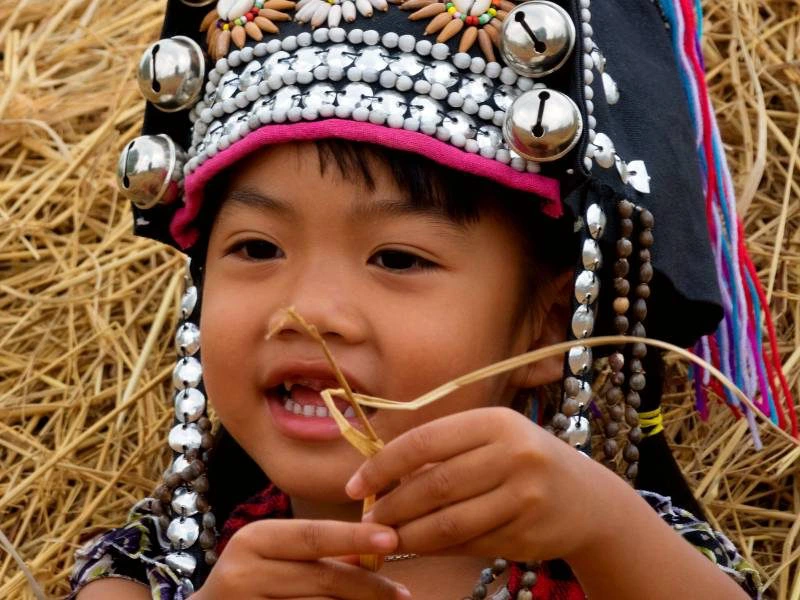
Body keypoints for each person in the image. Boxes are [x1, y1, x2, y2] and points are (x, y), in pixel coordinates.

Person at [68, 0, 779, 597]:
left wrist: (607, 527)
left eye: (397, 259)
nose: (309, 312)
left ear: (549, 327)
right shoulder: (142, 581)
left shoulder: (623, 561)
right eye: (258, 249)